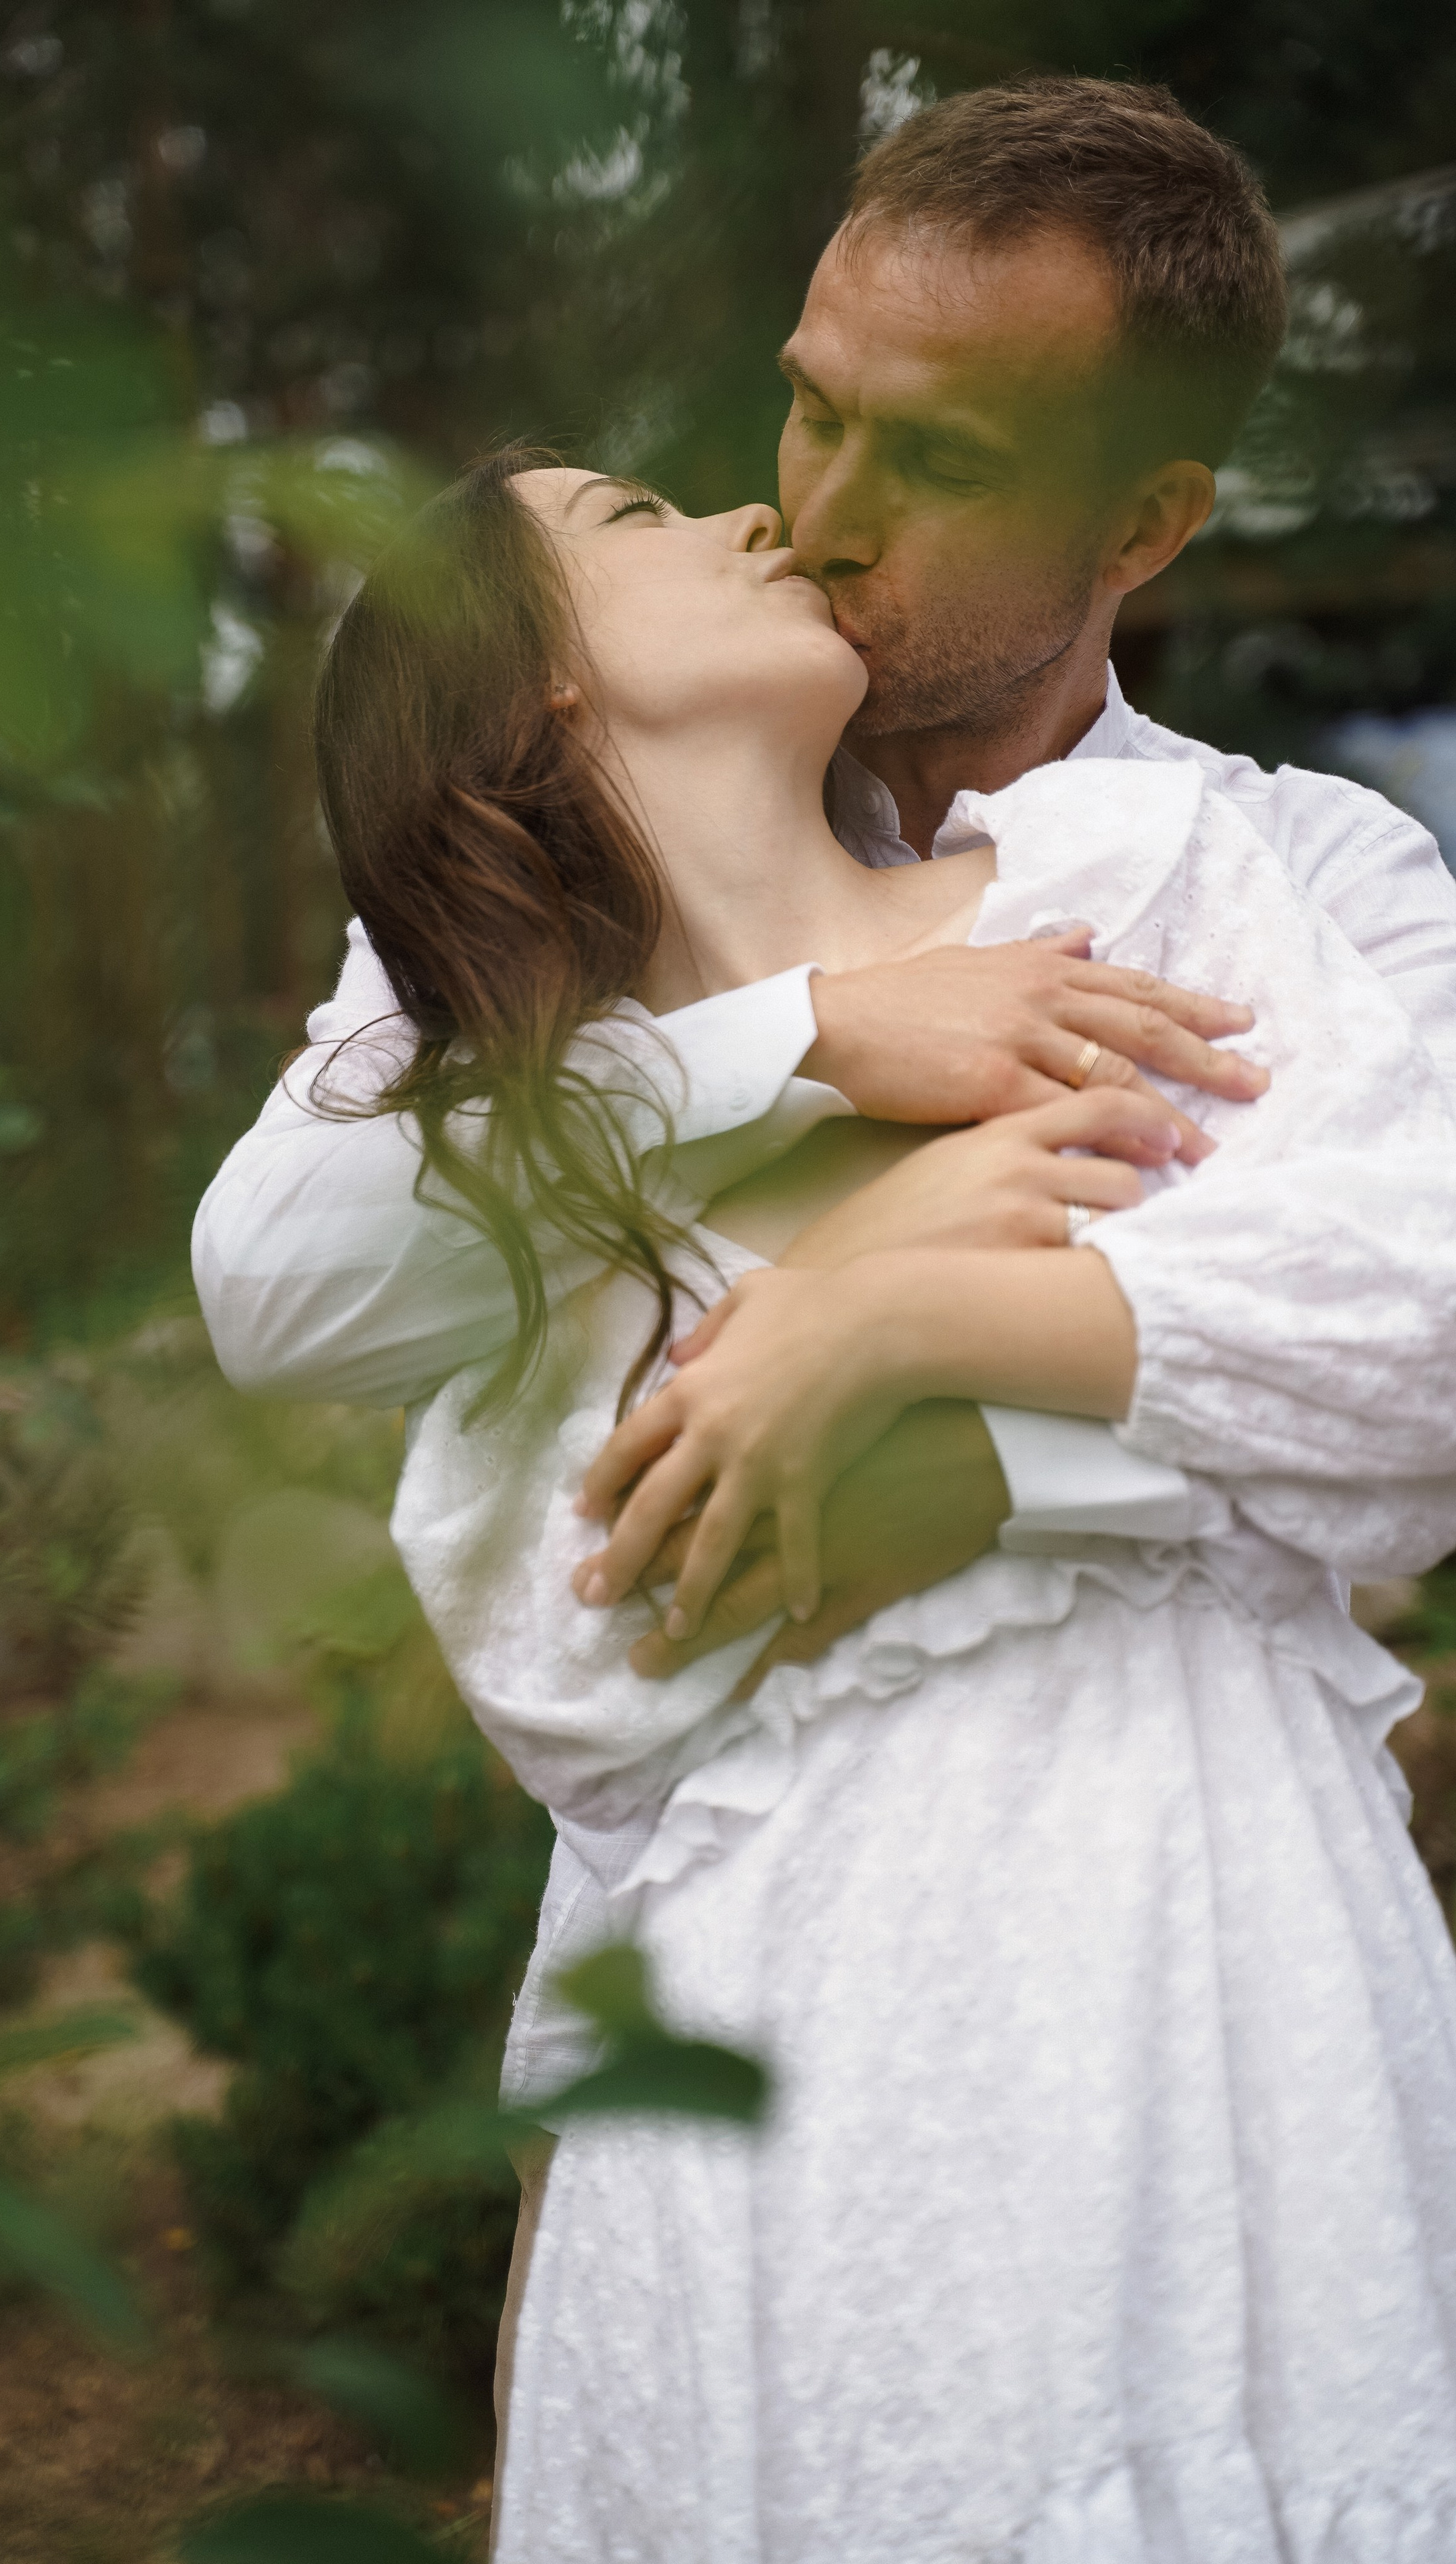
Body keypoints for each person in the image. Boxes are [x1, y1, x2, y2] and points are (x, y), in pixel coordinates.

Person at [311, 445, 1456, 2554]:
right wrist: (892, 1258)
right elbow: (561, 1646)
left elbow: (1414, 1345)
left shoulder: (1150, 883)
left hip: (1219, 1965)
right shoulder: (547, 1131)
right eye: (638, 526)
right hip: (794, 2071)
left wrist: (893, 1349)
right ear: (537, 690)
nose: (752, 512)